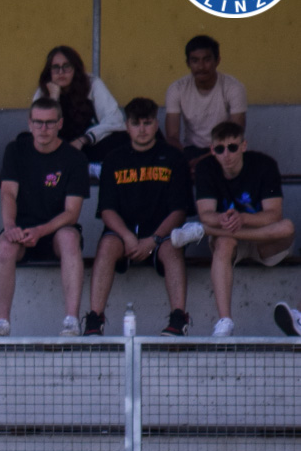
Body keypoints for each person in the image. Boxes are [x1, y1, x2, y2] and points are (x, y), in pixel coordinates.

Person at [85, 98, 197, 337]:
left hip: (161, 235)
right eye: (136, 123)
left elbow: (179, 211)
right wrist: (127, 236)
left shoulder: (173, 158)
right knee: (107, 244)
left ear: (156, 124)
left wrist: (153, 239)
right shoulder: (114, 159)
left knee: (173, 246)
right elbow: (106, 210)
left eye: (147, 123)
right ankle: (94, 319)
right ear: (127, 126)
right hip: (123, 235)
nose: (142, 129)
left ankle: (179, 318)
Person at [0, 97, 89, 337]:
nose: (43, 128)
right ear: (29, 123)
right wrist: (10, 227)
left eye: (50, 123)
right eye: (38, 122)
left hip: (56, 230)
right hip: (23, 229)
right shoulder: (15, 150)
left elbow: (72, 213)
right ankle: (2, 322)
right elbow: (8, 193)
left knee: (69, 238)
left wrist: (41, 231)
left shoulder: (75, 158)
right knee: (5, 244)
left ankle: (71, 321)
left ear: (60, 124)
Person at [190, 120, 295, 337]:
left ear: (243, 145)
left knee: (287, 227)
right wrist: (222, 219)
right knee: (224, 242)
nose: (226, 154)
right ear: (212, 150)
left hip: (262, 241)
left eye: (232, 147)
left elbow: (274, 214)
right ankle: (225, 321)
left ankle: (206, 232)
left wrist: (243, 218)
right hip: (228, 238)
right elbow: (206, 214)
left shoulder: (264, 165)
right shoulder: (206, 168)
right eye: (220, 149)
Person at [33, 45, 126, 167]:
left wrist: (84, 139)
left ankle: (87, 167)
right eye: (55, 67)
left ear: (75, 68)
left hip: (87, 145)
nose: (61, 72)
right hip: (58, 147)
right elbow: (38, 128)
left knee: (122, 138)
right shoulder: (44, 90)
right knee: (24, 140)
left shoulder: (92, 84)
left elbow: (115, 119)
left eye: (66, 66)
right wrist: (54, 98)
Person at [164, 35, 247, 167]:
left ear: (217, 61)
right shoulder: (177, 89)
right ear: (188, 63)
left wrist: (202, 160)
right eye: (195, 61)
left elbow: (236, 135)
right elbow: (172, 136)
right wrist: (183, 162)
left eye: (207, 60)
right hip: (191, 150)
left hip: (224, 149)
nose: (201, 67)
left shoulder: (233, 87)